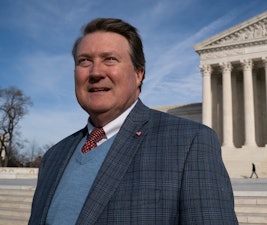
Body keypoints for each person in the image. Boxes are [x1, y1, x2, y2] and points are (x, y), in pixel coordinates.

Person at [28, 18, 238, 225]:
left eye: (109, 59)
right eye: (84, 61)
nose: (95, 72)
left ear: (139, 74)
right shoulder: (53, 157)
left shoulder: (189, 143)